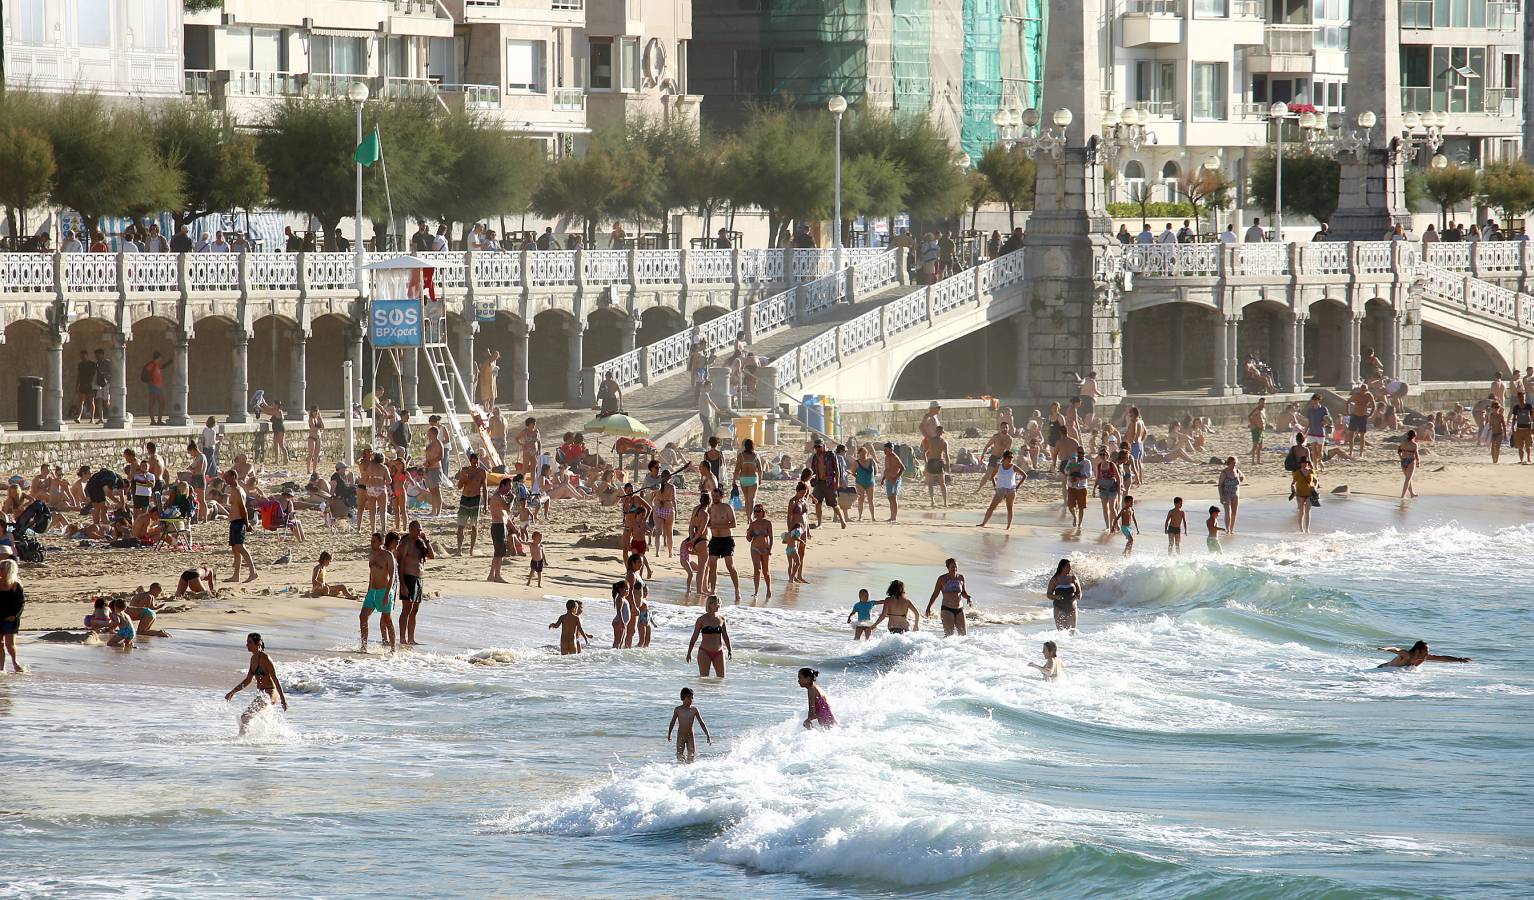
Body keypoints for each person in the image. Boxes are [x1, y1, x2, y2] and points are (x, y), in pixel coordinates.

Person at [225, 633, 288, 735]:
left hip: (270, 693)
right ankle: (260, 737)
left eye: (249, 642)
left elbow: (276, 680)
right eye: (247, 642)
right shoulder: (253, 659)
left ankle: (243, 740)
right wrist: (232, 692)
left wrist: (283, 701)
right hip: (262, 694)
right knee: (248, 717)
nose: (247, 645)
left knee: (245, 717)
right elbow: (248, 680)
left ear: (258, 643)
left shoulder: (265, 658)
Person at [360, 532, 399, 653]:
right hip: (373, 591)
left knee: (388, 620)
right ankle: (364, 646)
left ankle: (393, 649)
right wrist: (368, 591)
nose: (372, 544)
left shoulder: (388, 555)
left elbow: (392, 576)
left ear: (381, 542)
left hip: (384, 591)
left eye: (374, 541)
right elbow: (371, 574)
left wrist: (387, 594)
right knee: (363, 616)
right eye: (371, 541)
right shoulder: (371, 555)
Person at [396, 520, 433, 646]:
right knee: (407, 609)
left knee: (415, 609)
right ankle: (402, 638)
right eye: (417, 530)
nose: (419, 532)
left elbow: (432, 556)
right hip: (408, 577)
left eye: (420, 530)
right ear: (410, 529)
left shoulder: (420, 543)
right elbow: (400, 564)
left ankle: (411, 638)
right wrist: (403, 584)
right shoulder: (405, 544)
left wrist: (426, 540)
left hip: (419, 579)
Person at [705, 488, 740, 602]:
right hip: (714, 539)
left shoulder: (727, 507)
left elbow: (734, 524)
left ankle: (737, 590)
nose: (714, 498)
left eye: (716, 496)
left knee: (730, 565)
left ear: (721, 496)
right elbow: (707, 522)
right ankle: (713, 589)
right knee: (712, 564)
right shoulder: (710, 508)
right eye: (712, 496)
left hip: (726, 539)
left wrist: (718, 526)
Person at [223, 469, 258, 583]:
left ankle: (253, 572)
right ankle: (236, 575)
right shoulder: (235, 490)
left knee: (240, 547)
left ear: (233, 476)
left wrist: (247, 523)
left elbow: (243, 508)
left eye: (227, 477)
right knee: (235, 549)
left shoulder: (237, 490)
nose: (225, 479)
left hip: (238, 521)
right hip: (234, 521)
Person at [686, 595, 731, 678]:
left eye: (719, 603)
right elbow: (694, 637)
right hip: (704, 652)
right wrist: (689, 653)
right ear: (709, 604)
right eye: (715, 603)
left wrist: (729, 650)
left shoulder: (721, 619)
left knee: (721, 679)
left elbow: (725, 636)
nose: (718, 605)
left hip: (719, 652)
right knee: (704, 679)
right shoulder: (701, 619)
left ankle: (716, 692)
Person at [924, 558, 972, 637]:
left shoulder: (961, 578)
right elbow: (935, 594)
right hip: (947, 609)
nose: (955, 569)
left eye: (956, 567)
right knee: (949, 636)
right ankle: (942, 648)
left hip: (960, 609)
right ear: (948, 567)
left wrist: (968, 597)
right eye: (952, 567)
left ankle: (961, 649)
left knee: (963, 636)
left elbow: (963, 592)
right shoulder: (942, 579)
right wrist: (929, 606)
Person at [977, 450, 1024, 529]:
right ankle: (983, 523)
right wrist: (995, 485)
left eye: (1012, 457)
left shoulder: (1014, 467)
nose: (1011, 459)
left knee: (1009, 508)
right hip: (1000, 490)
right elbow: (992, 476)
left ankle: (1008, 526)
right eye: (1009, 457)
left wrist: (1017, 487)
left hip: (1010, 490)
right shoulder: (999, 466)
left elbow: (1024, 476)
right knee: (992, 507)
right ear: (1004, 457)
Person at [455, 452, 488, 556]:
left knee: (474, 525)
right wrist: (463, 479)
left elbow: (485, 489)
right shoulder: (464, 470)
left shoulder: (482, 472)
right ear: (470, 461)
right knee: (461, 526)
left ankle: (471, 550)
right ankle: (459, 549)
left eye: (477, 462)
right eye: (473, 462)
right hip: (465, 499)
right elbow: (459, 486)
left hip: (476, 499)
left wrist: (486, 504)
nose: (475, 464)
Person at [667, 687, 712, 763]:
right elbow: (672, 722)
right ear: (683, 698)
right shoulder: (678, 709)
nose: (691, 700)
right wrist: (669, 734)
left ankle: (690, 771)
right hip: (680, 736)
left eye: (692, 698)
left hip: (690, 736)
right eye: (689, 698)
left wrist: (708, 735)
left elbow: (701, 723)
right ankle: (681, 771)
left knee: (691, 756)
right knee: (680, 756)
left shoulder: (694, 709)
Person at [745, 504, 774, 599]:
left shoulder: (767, 523)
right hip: (755, 548)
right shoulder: (752, 524)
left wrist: (770, 548)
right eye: (755, 511)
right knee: (757, 570)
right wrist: (749, 533)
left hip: (765, 549)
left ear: (763, 512)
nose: (757, 513)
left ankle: (769, 590)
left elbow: (771, 537)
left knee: (766, 571)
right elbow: (749, 539)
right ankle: (756, 591)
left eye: (759, 511)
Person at [1375, 640, 1471, 668]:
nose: (1427, 653)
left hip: (1394, 674)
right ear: (1418, 650)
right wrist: (1384, 649)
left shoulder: (1423, 657)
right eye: (1426, 651)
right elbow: (1394, 649)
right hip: (1382, 670)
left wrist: (1459, 659)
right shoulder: (1406, 655)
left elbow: (1442, 658)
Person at [0, 560, 24, 673]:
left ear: (9, 570)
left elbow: (21, 604)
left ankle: (15, 663)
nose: (0, 570)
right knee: (0, 644)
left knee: (10, 645)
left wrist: (14, 616)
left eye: (2, 568)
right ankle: (1, 667)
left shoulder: (15, 585)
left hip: (10, 619)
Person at [1046, 559, 1080, 631]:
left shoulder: (1073, 578)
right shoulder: (1054, 579)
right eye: (1068, 566)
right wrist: (1056, 596)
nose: (1070, 568)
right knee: (1061, 633)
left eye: (1070, 567)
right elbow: (1048, 595)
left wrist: (1076, 584)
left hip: (1072, 609)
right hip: (1059, 608)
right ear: (1062, 567)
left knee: (1072, 633)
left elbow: (1079, 594)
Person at [923, 426, 950, 509]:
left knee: (930, 483)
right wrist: (948, 466)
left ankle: (932, 501)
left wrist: (926, 462)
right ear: (942, 433)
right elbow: (947, 456)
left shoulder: (930, 441)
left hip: (931, 462)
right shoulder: (944, 442)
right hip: (939, 462)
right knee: (942, 483)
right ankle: (945, 502)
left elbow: (924, 452)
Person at [880, 442, 905, 522]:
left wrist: (896, 478)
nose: (885, 451)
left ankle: (894, 517)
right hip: (888, 480)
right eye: (884, 450)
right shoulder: (886, 457)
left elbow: (903, 468)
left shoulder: (895, 457)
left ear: (891, 449)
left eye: (886, 450)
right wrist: (883, 478)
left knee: (894, 498)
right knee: (890, 498)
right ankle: (891, 516)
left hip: (895, 480)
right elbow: (887, 469)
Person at [1293, 457, 1318, 533]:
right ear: (1300, 464)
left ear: (1308, 463)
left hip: (1309, 493)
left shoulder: (1311, 471)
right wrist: (1293, 489)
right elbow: (1293, 483)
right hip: (1300, 494)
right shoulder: (1297, 472)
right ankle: (1301, 529)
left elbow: (1316, 481)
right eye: (1303, 463)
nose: (1304, 464)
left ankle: (1307, 529)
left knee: (1308, 511)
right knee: (1301, 511)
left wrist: (1315, 488)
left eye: (1306, 463)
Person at [1510, 391, 1534, 464]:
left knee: (1528, 446)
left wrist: (1533, 428)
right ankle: (1521, 460)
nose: (1521, 398)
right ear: (1518, 398)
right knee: (1520, 447)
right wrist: (1513, 428)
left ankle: (1529, 459)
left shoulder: (1529, 406)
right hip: (1519, 429)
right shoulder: (1516, 407)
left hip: (1528, 429)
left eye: (1522, 397)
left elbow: (1533, 417)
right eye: (1520, 397)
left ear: (1525, 397)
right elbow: (1514, 418)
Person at [1398, 428, 1420, 499]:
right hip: (1411, 461)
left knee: (1408, 478)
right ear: (1414, 436)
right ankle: (1403, 496)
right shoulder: (1414, 444)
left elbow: (1399, 451)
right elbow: (1416, 454)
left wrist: (1401, 458)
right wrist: (1418, 462)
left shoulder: (1403, 442)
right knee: (1408, 479)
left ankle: (1412, 493)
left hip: (1403, 460)